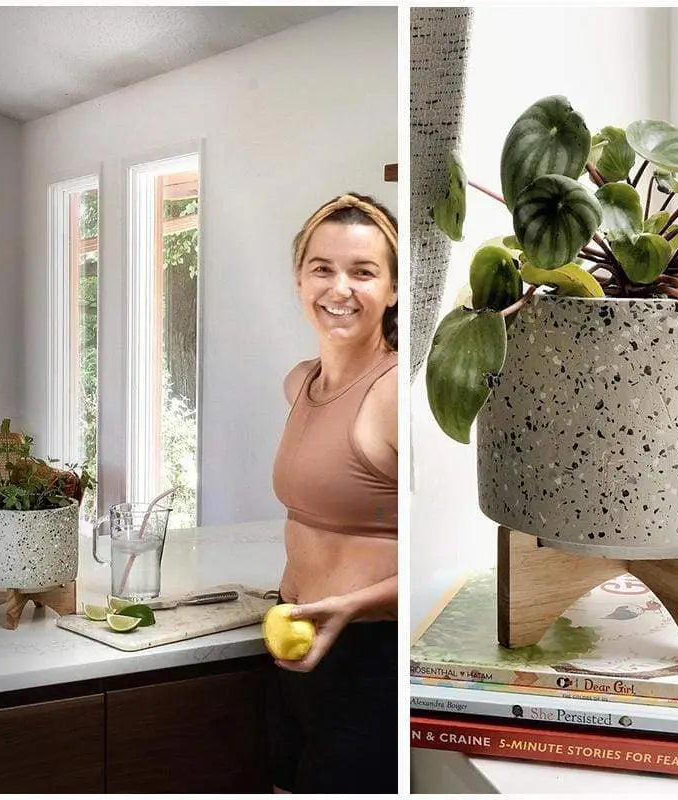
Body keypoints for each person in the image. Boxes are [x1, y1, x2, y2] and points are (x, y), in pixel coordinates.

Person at [268, 193, 398, 793]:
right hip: (295, 647)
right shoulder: (300, 383)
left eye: (363, 272)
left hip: (372, 659)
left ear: (393, 290)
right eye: (322, 268)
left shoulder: (398, 395)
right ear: (299, 279)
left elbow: (461, 556)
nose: (338, 288)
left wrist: (348, 606)